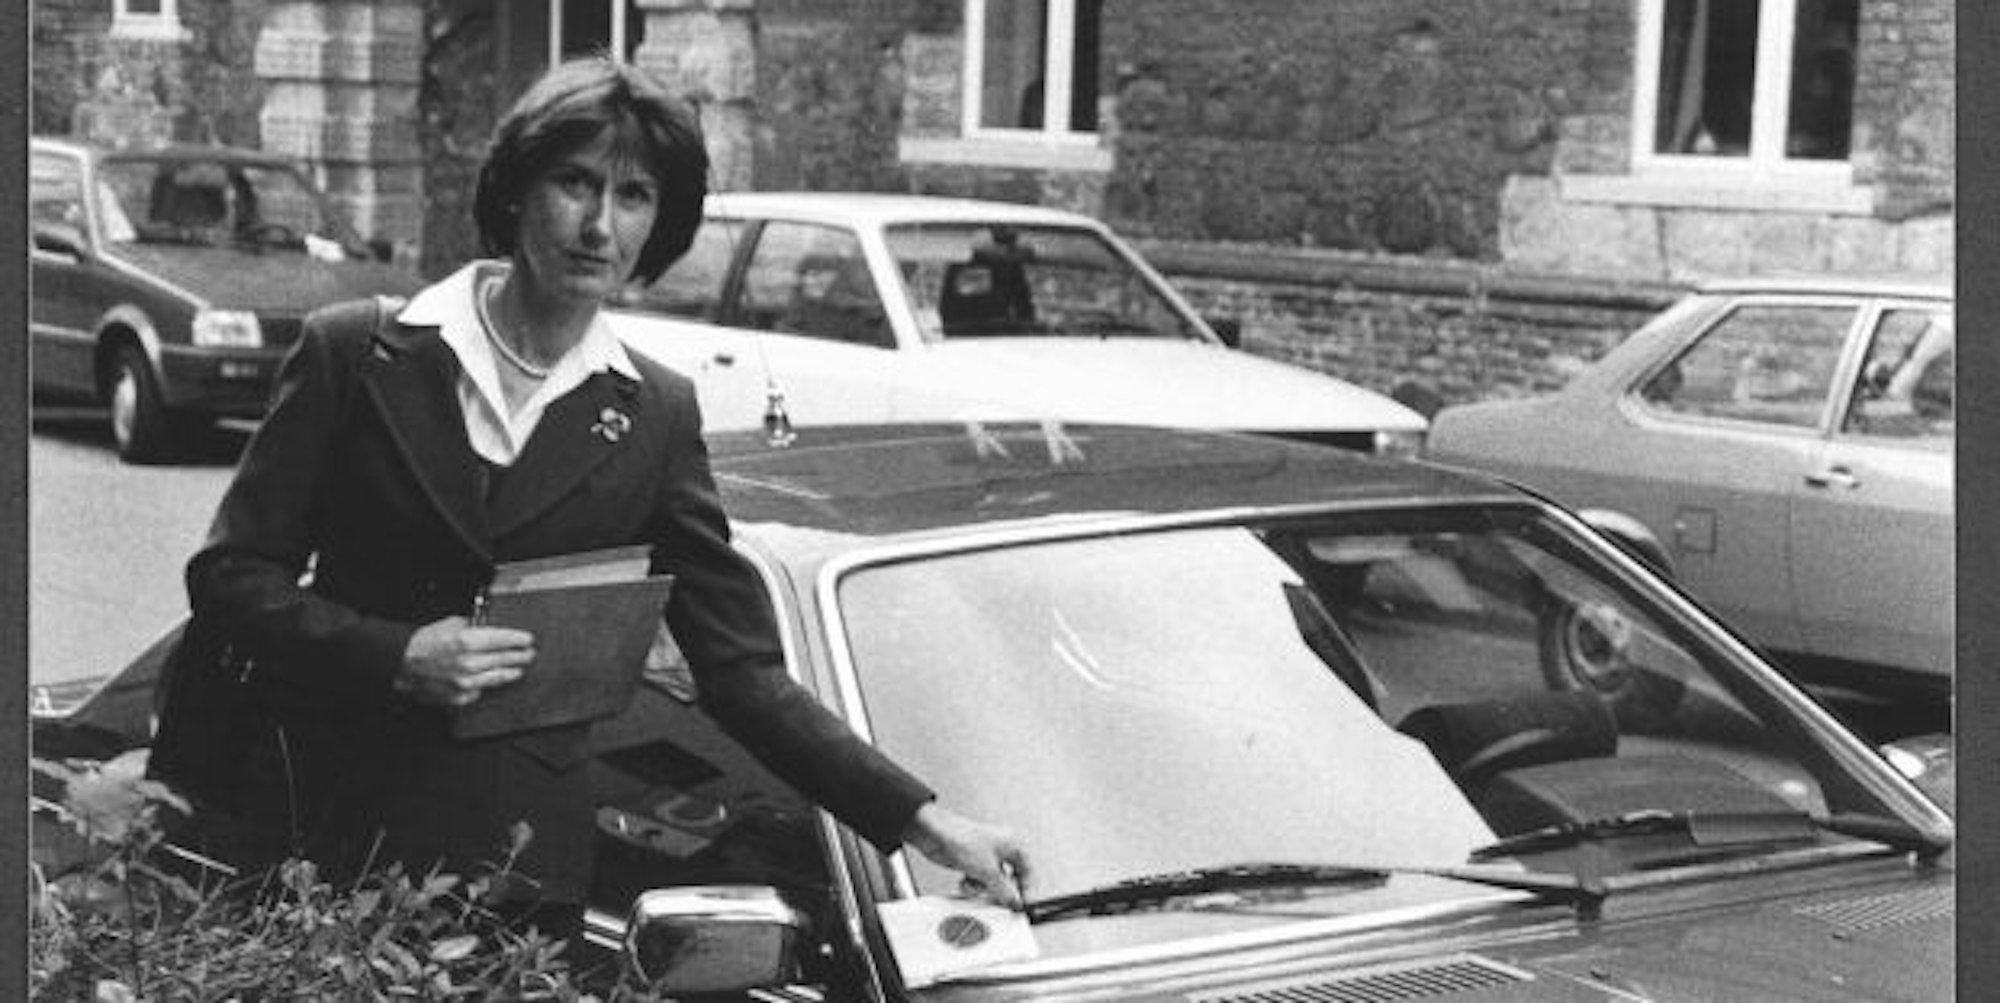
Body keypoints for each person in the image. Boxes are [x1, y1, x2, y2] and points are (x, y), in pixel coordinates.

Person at [147, 56, 1028, 937]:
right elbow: (230, 578)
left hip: (517, 879)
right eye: (575, 183)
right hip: (324, 842)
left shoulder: (655, 412)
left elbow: (742, 673)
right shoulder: (356, 352)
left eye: (634, 196)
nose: (600, 225)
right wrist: (395, 653)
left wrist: (924, 818)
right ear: (516, 190)